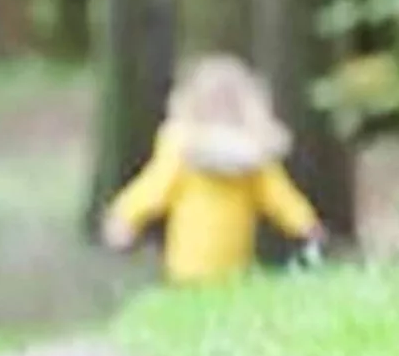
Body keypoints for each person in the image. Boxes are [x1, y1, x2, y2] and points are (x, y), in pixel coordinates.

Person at [101, 54, 326, 286]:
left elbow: (278, 195)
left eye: (229, 103)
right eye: (213, 102)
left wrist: (305, 223)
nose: (220, 110)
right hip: (186, 267)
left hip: (235, 267)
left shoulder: (254, 157)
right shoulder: (183, 149)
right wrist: (126, 216)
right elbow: (154, 187)